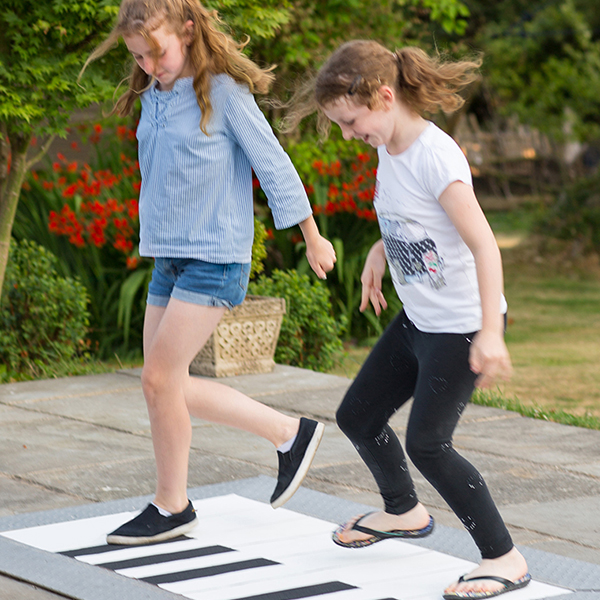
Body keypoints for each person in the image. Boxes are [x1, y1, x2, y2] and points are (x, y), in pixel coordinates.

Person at [80, 0, 336, 546]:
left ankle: (172, 504)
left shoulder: (223, 92)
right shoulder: (153, 94)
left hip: (216, 257)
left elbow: (273, 163)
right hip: (169, 256)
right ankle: (287, 434)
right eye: (139, 57)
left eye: (158, 52)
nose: (149, 65)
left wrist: (312, 235)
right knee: (162, 387)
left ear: (189, 30)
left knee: (158, 380)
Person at [283, 40, 530, 600]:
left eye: (350, 122)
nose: (349, 134)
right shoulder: (389, 147)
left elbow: (485, 246)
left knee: (429, 443)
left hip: (462, 326)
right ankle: (404, 511)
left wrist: (490, 332)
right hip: (419, 320)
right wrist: (379, 251)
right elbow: (412, 219)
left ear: (384, 97)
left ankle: (504, 557)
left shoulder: (434, 157)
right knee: (359, 415)